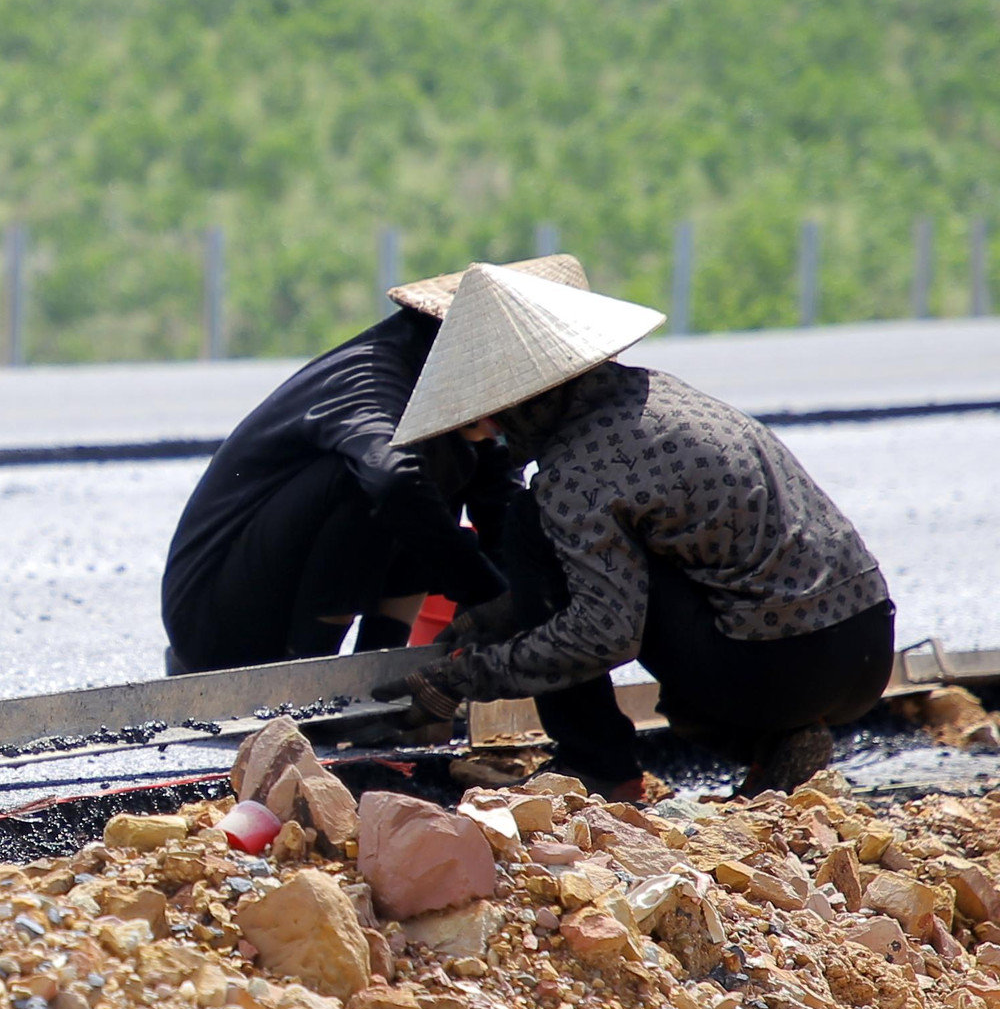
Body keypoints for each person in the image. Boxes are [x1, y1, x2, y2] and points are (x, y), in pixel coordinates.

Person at [373, 264, 894, 798]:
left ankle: (597, 764)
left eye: (490, 419)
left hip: (782, 669)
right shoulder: (661, 395)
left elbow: (602, 632)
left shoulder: (577, 470)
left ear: (519, 403)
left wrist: (464, 679)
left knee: (532, 526)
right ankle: (774, 749)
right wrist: (499, 618)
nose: (490, 437)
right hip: (867, 646)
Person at [159, 255, 590, 676]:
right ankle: (309, 680)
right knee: (390, 487)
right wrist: (484, 590)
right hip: (216, 622)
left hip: (289, 584)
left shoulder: (464, 420)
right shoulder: (372, 374)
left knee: (435, 506)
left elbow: (502, 514)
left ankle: (382, 674)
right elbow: (393, 483)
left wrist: (514, 608)